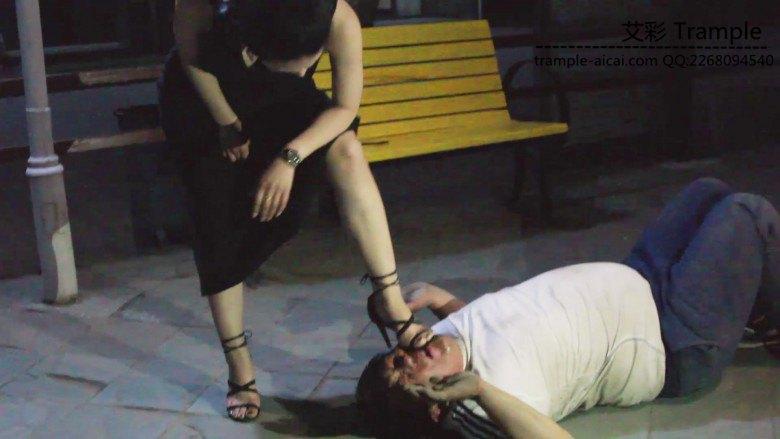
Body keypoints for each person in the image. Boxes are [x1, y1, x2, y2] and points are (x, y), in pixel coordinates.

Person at [157, 0, 430, 422]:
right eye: (293, 65)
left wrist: (290, 157)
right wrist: (227, 123)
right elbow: (192, 58)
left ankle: (391, 303)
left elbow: (345, 108)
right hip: (205, 96)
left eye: (309, 64)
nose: (306, 73)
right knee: (218, 213)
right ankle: (238, 363)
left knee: (346, 149)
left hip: (281, 99)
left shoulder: (337, 15)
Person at [356, 178, 779, 438]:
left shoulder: (443, 341)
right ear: (435, 407)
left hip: (641, 279)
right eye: (406, 371)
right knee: (748, 212)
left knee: (708, 192)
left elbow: (507, 336)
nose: (408, 353)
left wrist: (438, 297)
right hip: (673, 337)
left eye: (396, 354)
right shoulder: (478, 408)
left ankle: (751, 305)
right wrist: (482, 392)